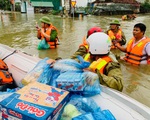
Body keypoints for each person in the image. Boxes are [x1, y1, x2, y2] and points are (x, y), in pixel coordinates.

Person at [48, 32, 124, 92]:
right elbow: (73, 62)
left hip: (95, 92)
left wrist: (95, 74)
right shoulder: (87, 56)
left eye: (89, 45)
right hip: (82, 88)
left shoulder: (111, 64)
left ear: (95, 47)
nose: (88, 47)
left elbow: (118, 84)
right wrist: (58, 62)